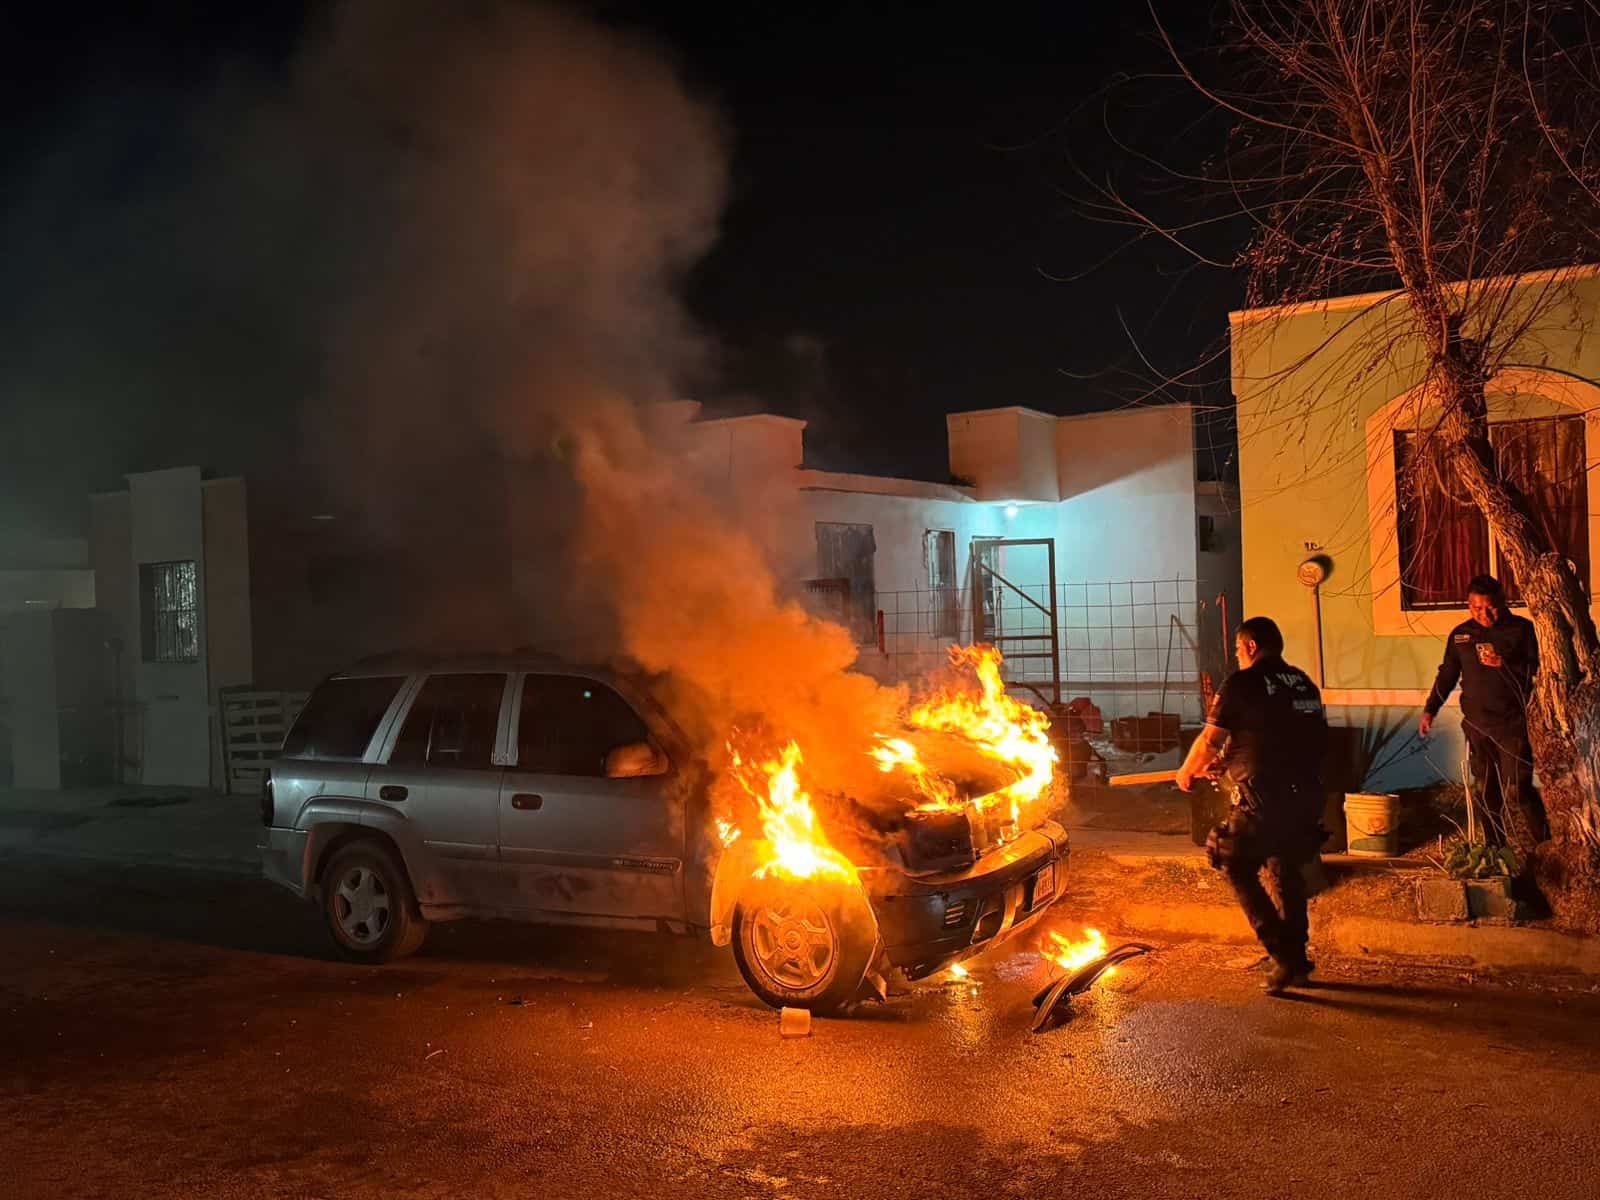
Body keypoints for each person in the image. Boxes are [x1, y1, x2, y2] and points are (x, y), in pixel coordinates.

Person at [1177, 616, 1328, 995]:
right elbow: (1274, 735)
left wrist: (1187, 770)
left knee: (1233, 860)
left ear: (1250, 647)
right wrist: (1229, 764)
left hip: (1264, 799)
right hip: (1306, 797)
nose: (1237, 656)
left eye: (1237, 649)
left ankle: (1283, 955)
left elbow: (1212, 740)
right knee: (1286, 875)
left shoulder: (1241, 684)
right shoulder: (1303, 683)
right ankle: (1298, 962)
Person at [1418, 574, 1544, 855]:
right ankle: (1496, 849)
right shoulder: (1461, 635)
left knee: (1517, 789)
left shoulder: (1522, 631)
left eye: (1491, 608)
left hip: (1512, 724)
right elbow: (1447, 674)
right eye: (1477, 609)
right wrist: (1430, 710)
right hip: (1477, 725)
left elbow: (1539, 674)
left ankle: (1545, 845)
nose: (1484, 615)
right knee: (1487, 791)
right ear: (1468, 605)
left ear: (1503, 602)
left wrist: (1505, 664)